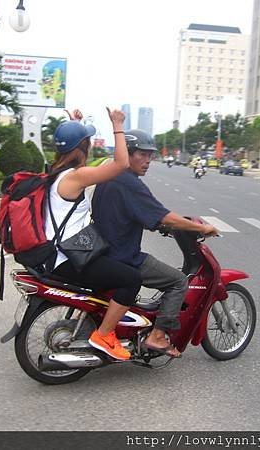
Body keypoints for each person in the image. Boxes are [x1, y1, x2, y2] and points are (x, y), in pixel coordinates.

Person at [92, 129, 219, 358]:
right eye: (143, 154)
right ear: (128, 153)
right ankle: (158, 335)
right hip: (124, 257)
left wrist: (157, 224)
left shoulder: (108, 176)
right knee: (179, 281)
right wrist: (202, 228)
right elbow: (163, 215)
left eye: (151, 155)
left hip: (103, 252)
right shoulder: (129, 182)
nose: (148, 160)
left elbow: (132, 212)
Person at [46, 108, 142, 362]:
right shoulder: (76, 177)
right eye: (86, 143)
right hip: (67, 258)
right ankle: (104, 335)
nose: (89, 148)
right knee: (131, 278)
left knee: (112, 266)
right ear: (82, 147)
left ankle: (99, 319)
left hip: (58, 253)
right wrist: (118, 125)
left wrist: (74, 124)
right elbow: (121, 164)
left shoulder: (54, 172)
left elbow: (77, 156)